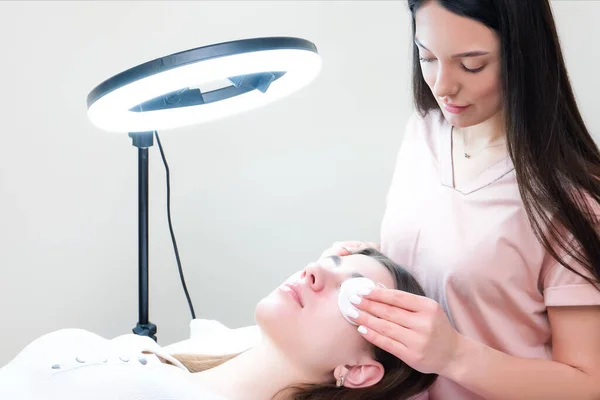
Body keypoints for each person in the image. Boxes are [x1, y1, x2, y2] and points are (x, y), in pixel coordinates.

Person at [317, 1, 600, 399]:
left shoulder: (572, 199)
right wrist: (376, 262)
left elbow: (587, 385)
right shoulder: (424, 132)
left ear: (525, 57)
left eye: (471, 65)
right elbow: (462, 268)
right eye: (427, 57)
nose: (443, 85)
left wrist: (454, 356)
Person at [0, 248, 437, 400]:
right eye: (327, 263)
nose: (314, 272)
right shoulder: (210, 351)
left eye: (353, 293)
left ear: (358, 370)